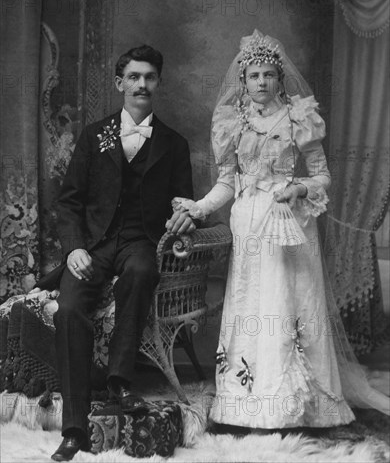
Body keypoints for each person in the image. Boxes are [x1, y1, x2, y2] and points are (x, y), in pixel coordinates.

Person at [173, 30, 389, 430]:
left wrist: (299, 188)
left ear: (280, 78)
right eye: (254, 75)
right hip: (250, 225)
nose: (261, 82)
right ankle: (247, 401)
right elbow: (226, 182)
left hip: (291, 223)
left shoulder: (299, 117)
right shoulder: (231, 121)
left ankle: (299, 401)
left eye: (268, 75)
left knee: (291, 305)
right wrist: (200, 206)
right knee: (252, 307)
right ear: (243, 80)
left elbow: (323, 176)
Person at [34, 44, 196, 461]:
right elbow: (69, 202)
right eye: (134, 77)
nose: (142, 84)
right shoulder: (94, 135)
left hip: (141, 241)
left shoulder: (174, 144)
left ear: (158, 83)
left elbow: (185, 201)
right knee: (70, 309)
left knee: (143, 272)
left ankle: (120, 381)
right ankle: (73, 429)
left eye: (150, 77)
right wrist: (73, 250)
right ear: (119, 83)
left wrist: (186, 217)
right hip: (93, 245)